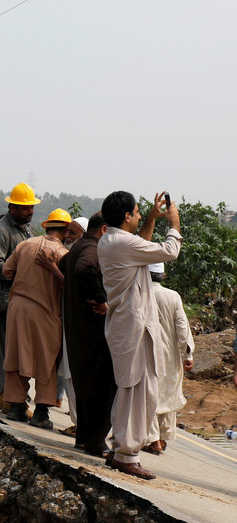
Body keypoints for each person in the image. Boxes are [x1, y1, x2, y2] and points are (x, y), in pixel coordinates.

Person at [97, 190, 183, 480]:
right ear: (126, 216)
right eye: (136, 212)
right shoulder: (120, 242)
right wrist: (174, 222)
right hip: (133, 326)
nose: (137, 216)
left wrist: (149, 219)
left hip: (128, 325)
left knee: (131, 390)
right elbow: (169, 251)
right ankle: (126, 455)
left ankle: (121, 448)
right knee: (139, 392)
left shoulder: (113, 241)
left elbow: (141, 245)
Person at [0, 210, 71, 429]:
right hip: (46, 312)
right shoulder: (63, 254)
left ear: (47, 226)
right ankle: (41, 412)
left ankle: (15, 406)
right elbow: (70, 288)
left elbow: (5, 270)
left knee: (17, 357)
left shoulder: (25, 245)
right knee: (46, 361)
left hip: (18, 308)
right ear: (66, 231)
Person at [60, 212, 114, 456]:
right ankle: (95, 442)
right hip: (92, 329)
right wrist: (100, 299)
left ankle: (84, 438)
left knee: (85, 385)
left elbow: (64, 265)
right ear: (104, 230)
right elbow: (83, 268)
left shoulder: (79, 246)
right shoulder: (92, 249)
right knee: (101, 387)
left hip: (77, 327)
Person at [0, 182, 38, 408]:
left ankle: (13, 396)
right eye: (25, 208)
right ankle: (8, 396)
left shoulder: (26, 228)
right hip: (5, 301)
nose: (30, 212)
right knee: (8, 353)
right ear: (12, 207)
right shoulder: (1, 230)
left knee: (19, 354)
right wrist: (22, 272)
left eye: (31, 207)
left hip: (21, 300)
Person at [146, 263, 193, 454]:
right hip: (170, 355)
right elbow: (182, 326)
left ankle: (153, 439)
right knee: (167, 395)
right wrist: (188, 353)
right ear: (163, 275)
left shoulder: (140, 292)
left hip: (147, 351)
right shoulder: (173, 296)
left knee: (148, 396)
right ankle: (163, 437)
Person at [56, 216, 87, 434]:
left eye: (73, 233)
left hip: (79, 328)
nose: (67, 237)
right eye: (67, 232)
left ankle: (81, 425)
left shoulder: (83, 259)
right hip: (70, 324)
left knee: (73, 375)